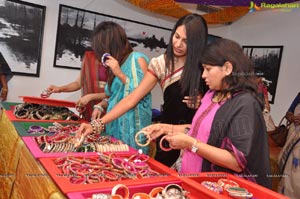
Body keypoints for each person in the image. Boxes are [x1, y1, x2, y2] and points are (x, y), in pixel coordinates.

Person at [77, 14, 208, 165]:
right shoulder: (161, 64)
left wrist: (203, 102)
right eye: (176, 36)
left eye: (186, 41)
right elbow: (132, 99)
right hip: (166, 135)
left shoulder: (205, 65)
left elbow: (220, 104)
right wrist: (96, 125)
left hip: (197, 137)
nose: (178, 44)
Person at [142, 38, 272, 189]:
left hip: (218, 189)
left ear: (228, 68)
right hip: (192, 182)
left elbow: (236, 162)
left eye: (208, 69)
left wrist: (191, 144)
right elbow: (202, 131)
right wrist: (166, 128)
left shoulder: (245, 104)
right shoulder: (211, 94)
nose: (203, 75)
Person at [77, 21, 152, 153]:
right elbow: (114, 95)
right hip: (114, 124)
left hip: (132, 130)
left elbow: (138, 95)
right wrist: (101, 104)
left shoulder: (137, 59)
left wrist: (119, 73)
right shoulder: (117, 63)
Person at [46, 50, 108, 121]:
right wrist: (59, 89)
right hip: (89, 108)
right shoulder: (90, 57)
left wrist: (91, 96)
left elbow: (116, 92)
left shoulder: (117, 59)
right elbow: (78, 83)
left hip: (109, 109)